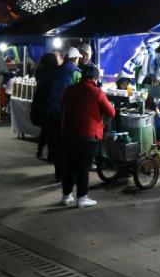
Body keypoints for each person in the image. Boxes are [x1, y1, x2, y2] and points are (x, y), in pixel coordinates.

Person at [59, 63, 116, 208]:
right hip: (88, 136)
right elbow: (111, 113)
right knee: (83, 168)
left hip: (68, 133)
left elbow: (62, 105)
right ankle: (82, 198)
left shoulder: (69, 90)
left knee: (69, 166)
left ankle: (66, 197)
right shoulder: (97, 92)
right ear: (95, 78)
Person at [46, 47, 83, 181]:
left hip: (53, 112)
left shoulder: (56, 70)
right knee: (69, 145)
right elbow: (81, 93)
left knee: (57, 144)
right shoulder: (76, 73)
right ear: (76, 59)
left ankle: (59, 174)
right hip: (66, 114)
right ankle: (69, 174)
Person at [31, 52, 61, 160]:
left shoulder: (40, 72)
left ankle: (39, 150)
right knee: (52, 132)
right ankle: (51, 154)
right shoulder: (55, 74)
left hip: (41, 105)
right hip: (51, 106)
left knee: (44, 130)